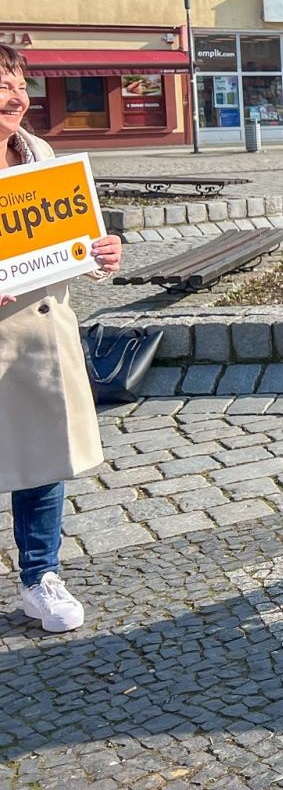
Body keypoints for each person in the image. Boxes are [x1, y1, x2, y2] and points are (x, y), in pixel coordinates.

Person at [0, 45, 123, 632]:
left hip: (40, 338)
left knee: (42, 461)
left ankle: (39, 577)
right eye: (1, 83)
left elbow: (68, 244)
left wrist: (100, 251)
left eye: (19, 82)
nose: (14, 95)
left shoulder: (41, 156)